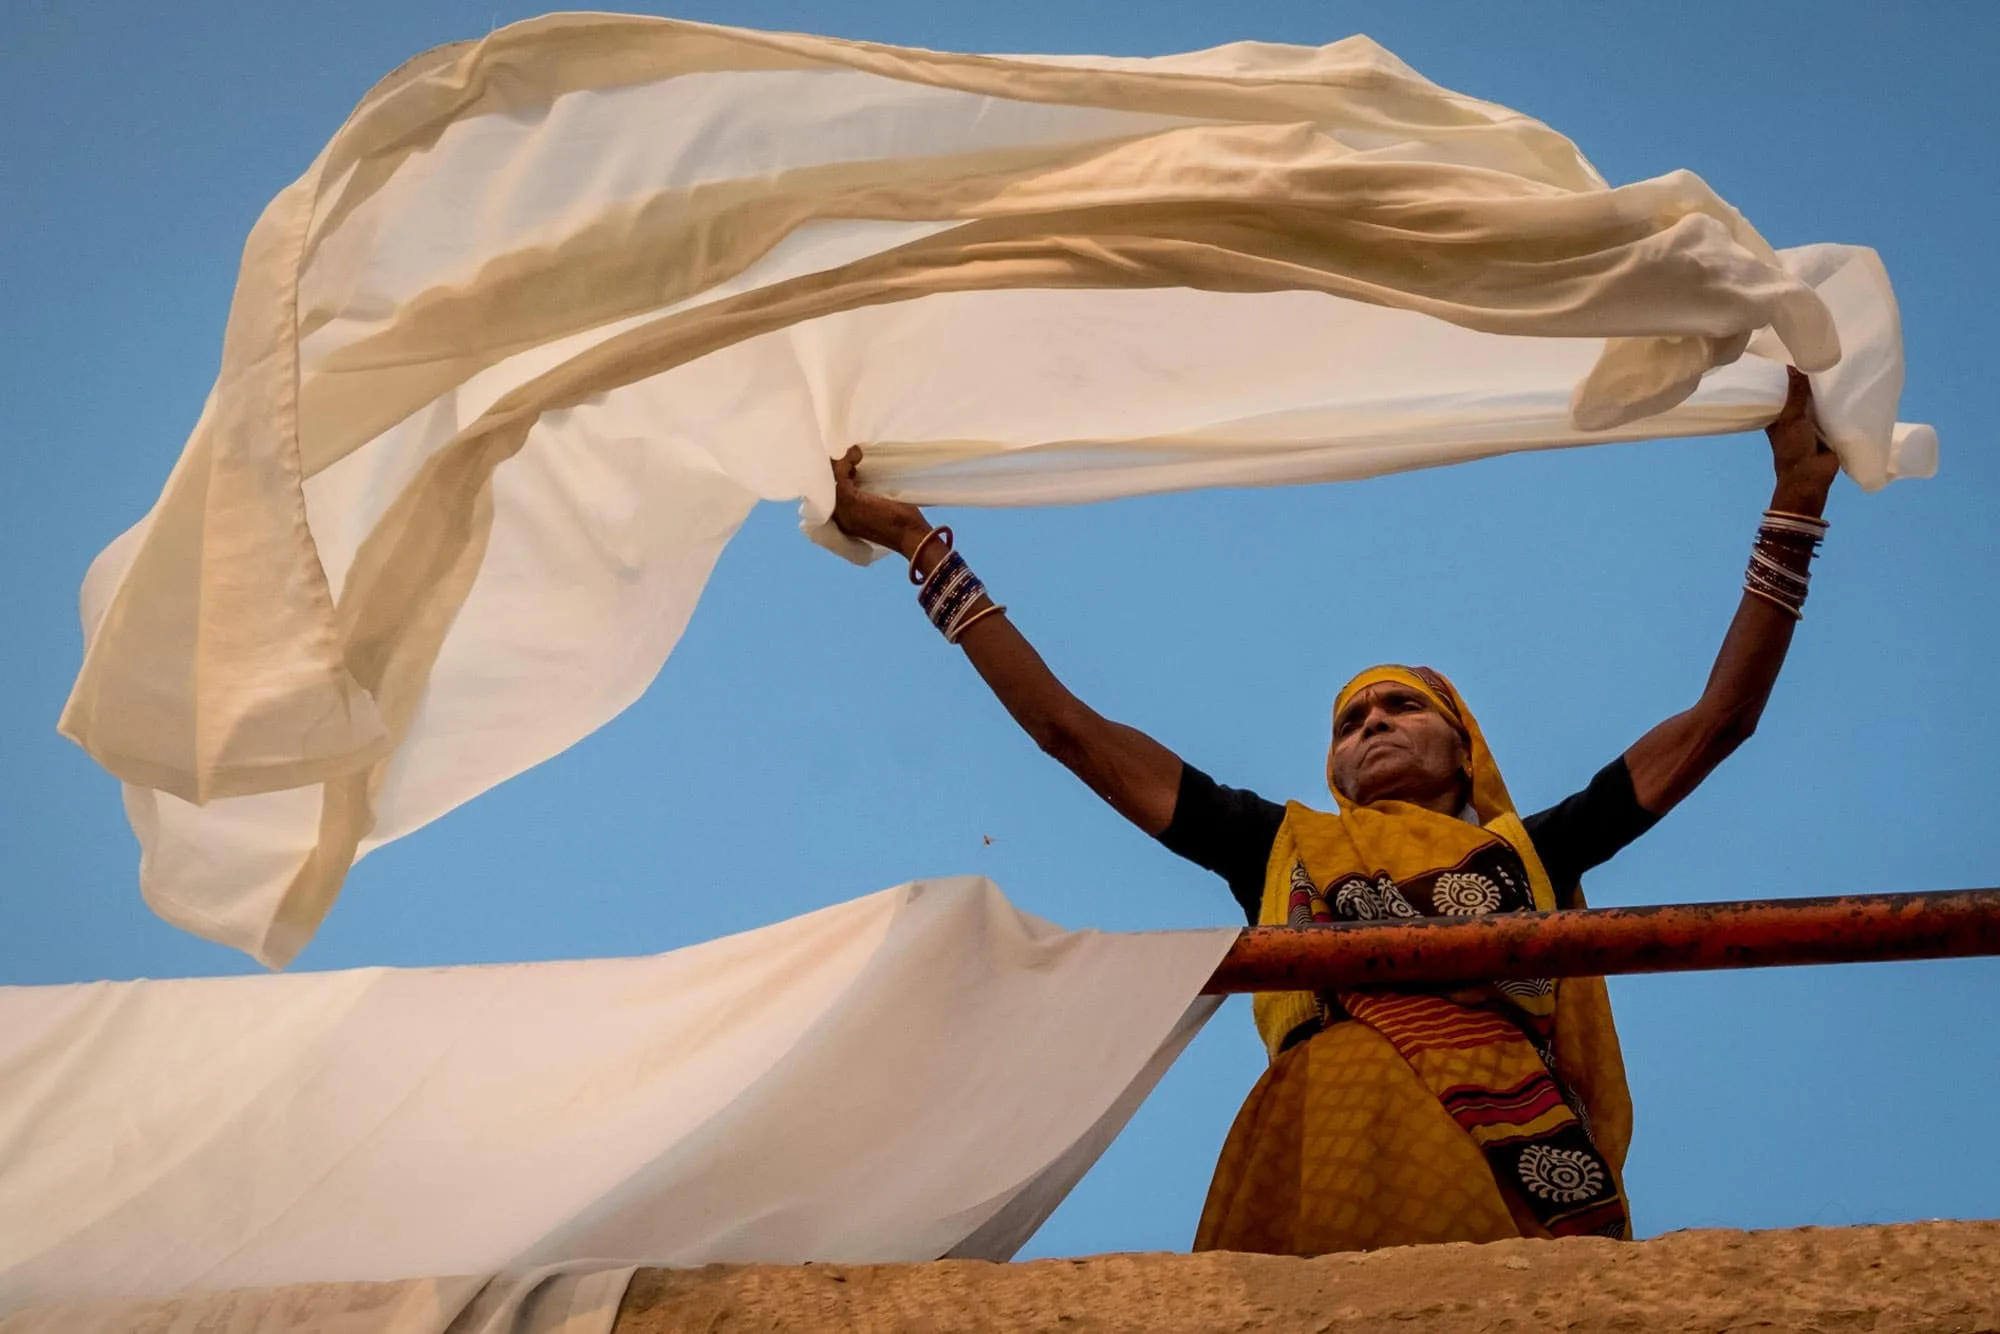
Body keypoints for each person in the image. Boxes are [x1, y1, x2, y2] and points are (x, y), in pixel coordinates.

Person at [827, 367, 1840, 1254]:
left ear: (1463, 741)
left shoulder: (1529, 854)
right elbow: (1068, 730)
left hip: (1490, 1159)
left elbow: (1716, 723)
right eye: (1350, 716)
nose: (1370, 720)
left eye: (1400, 702)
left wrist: (1793, 505)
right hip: (1302, 1139)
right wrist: (924, 547)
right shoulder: (1279, 846)